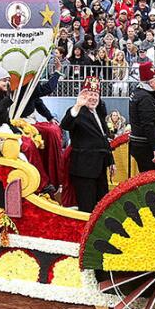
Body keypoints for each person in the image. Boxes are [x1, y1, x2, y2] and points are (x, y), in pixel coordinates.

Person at [59, 76, 114, 213]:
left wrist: (110, 161)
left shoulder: (99, 112)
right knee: (87, 209)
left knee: (103, 207)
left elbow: (103, 138)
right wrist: (78, 105)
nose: (93, 98)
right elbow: (65, 125)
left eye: (96, 95)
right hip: (84, 170)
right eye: (90, 94)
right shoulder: (76, 112)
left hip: (100, 168)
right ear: (82, 95)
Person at [128, 62, 155, 175]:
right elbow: (147, 124)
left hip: (142, 143)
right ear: (150, 81)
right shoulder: (146, 98)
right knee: (152, 178)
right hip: (146, 146)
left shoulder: (139, 93)